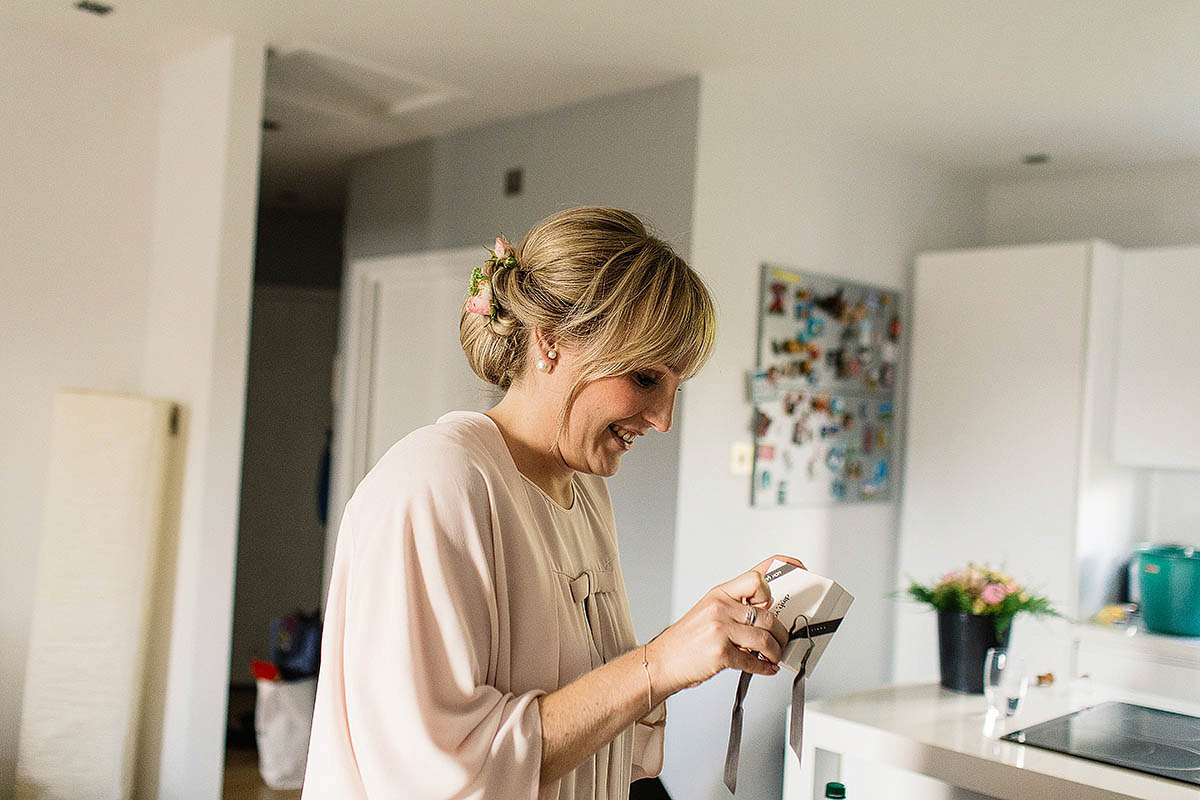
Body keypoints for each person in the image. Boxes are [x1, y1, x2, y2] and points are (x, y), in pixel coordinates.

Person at [303, 207, 799, 799]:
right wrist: (658, 664)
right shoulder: (437, 482)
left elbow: (590, 714)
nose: (664, 420)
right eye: (644, 378)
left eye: (674, 387)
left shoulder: (584, 489)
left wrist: (698, 642)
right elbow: (439, 775)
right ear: (551, 341)